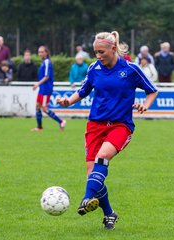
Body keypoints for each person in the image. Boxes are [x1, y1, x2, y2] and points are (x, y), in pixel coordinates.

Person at [57, 31, 158, 230]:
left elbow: (152, 90)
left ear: (113, 49)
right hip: (95, 125)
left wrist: (145, 104)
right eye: (95, 52)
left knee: (102, 158)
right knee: (92, 174)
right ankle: (109, 214)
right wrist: (68, 100)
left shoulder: (130, 69)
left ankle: (86, 199)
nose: (98, 56)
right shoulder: (94, 68)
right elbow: (83, 90)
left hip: (120, 125)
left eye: (101, 52)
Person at [31, 45, 66, 131]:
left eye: (42, 52)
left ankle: (61, 121)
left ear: (46, 53)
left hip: (46, 89)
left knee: (44, 108)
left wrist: (37, 84)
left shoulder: (47, 62)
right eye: (39, 52)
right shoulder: (44, 62)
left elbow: (47, 76)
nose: (40, 54)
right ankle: (39, 127)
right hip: (42, 89)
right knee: (38, 106)